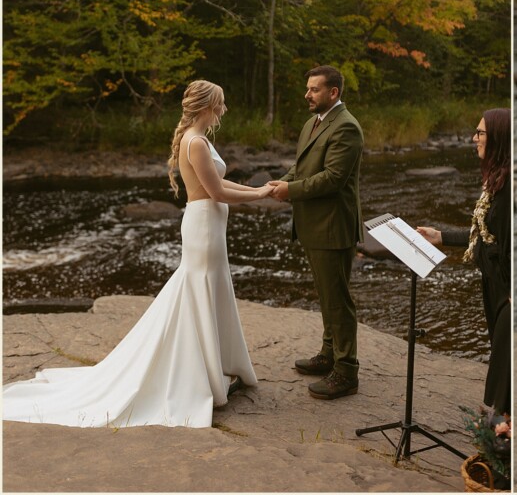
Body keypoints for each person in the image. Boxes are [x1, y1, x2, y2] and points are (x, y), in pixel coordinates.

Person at [3, 80, 269, 427]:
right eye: (220, 102)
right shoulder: (196, 142)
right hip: (204, 226)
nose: (224, 108)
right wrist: (260, 195)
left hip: (209, 225)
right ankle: (199, 373)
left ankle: (211, 364)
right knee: (199, 289)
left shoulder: (197, 139)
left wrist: (257, 189)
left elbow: (218, 185)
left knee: (207, 289)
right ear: (207, 106)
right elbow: (216, 192)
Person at [267, 65, 363, 400]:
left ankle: (346, 371)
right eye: (308, 88)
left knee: (338, 300)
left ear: (333, 92)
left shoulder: (347, 127)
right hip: (313, 224)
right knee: (326, 294)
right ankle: (328, 355)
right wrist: (282, 182)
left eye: (314, 89)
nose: (307, 94)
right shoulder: (313, 123)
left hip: (333, 226)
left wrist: (290, 191)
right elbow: (302, 167)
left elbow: (333, 178)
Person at [416, 108, 511, 416]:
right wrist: (440, 236)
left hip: (507, 291)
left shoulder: (510, 188)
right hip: (494, 284)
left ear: (499, 138)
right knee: (501, 354)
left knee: (506, 356)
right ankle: (503, 417)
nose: (474, 138)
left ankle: (504, 422)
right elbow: (484, 234)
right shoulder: (497, 180)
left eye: (480, 133)